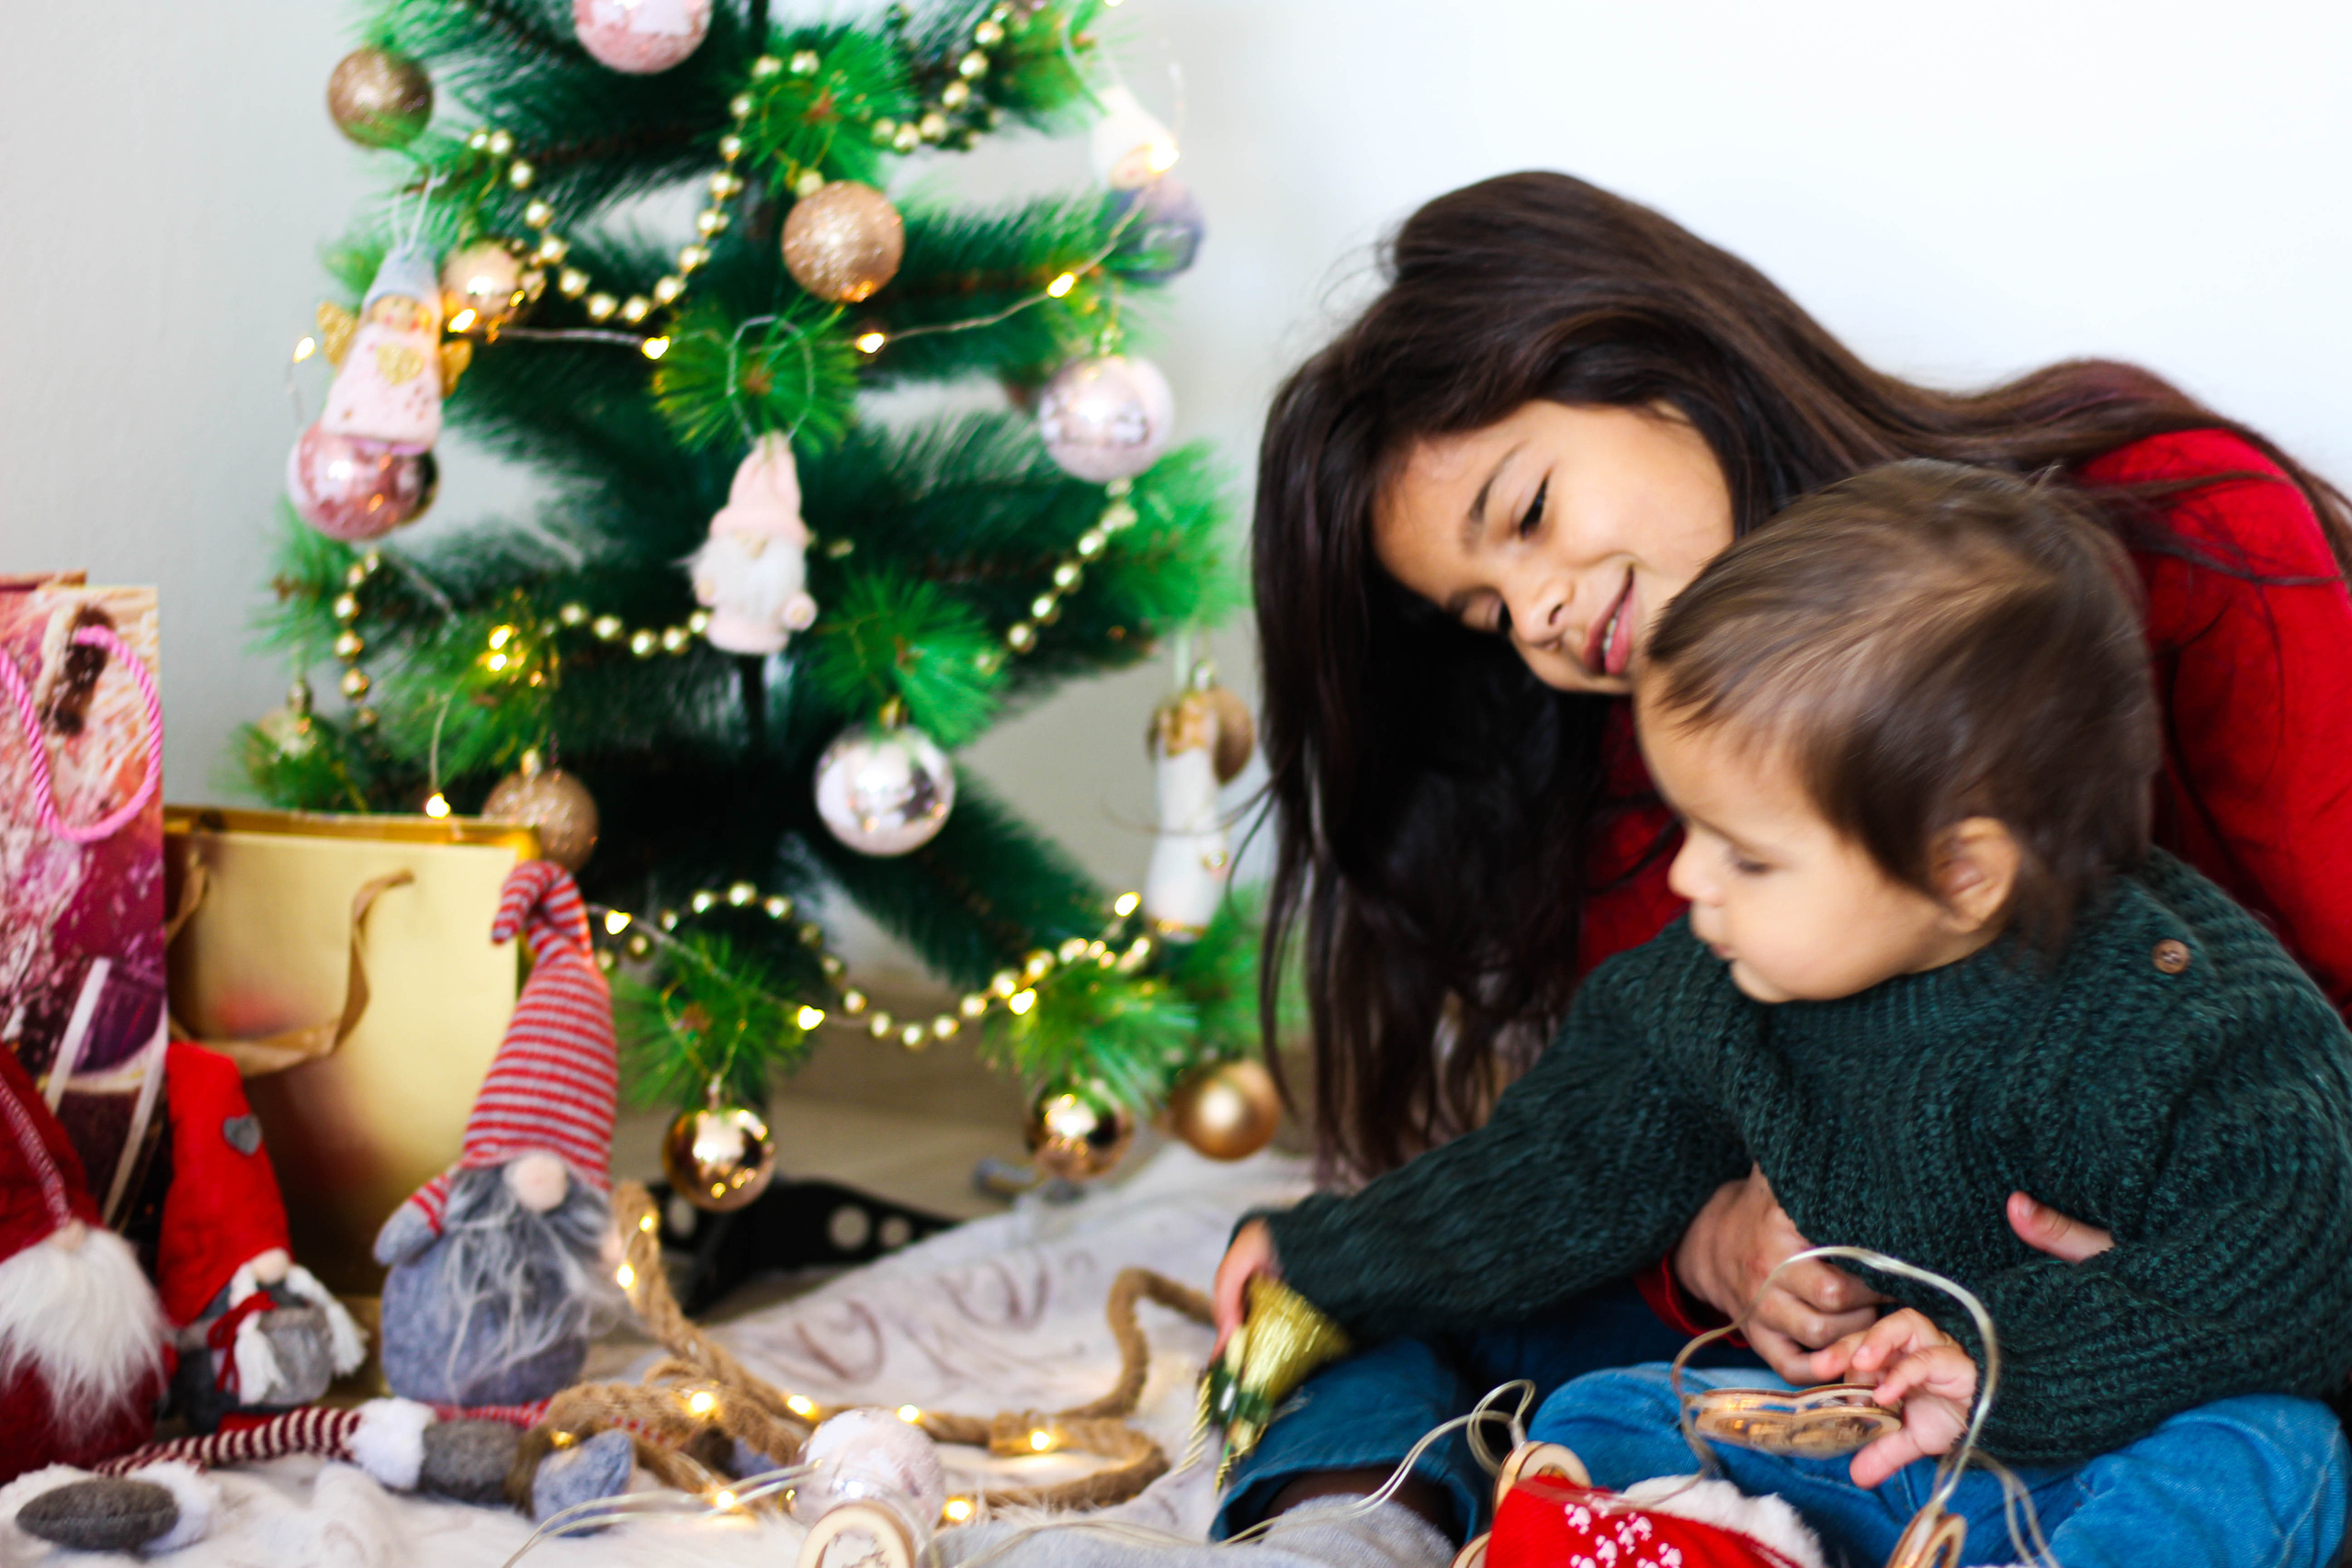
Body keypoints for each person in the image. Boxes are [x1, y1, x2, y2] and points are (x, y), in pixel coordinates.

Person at [1233, 170, 2352, 1537]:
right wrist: (1711, 1252)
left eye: (1524, 516)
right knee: (1490, 1334)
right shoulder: (1647, 790)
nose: (1532, 616)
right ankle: (1352, 1519)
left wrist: (2175, 1298)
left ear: (1659, 369)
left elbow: (2294, 1173)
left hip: (2174, 1330)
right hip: (1846, 1387)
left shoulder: (2163, 548)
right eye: (1481, 613)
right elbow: (1578, 1156)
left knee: (2268, 1456)